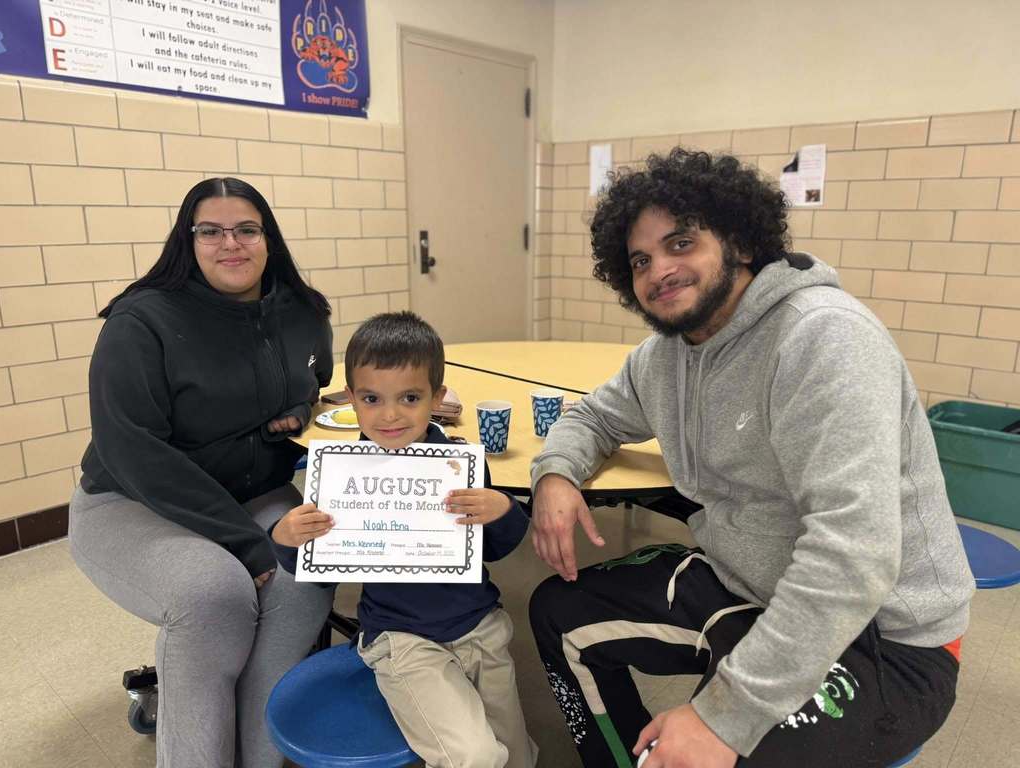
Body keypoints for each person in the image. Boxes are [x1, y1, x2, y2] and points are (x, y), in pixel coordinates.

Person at [527, 148, 975, 768]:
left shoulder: (823, 337)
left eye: (680, 243)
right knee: (558, 610)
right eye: (640, 260)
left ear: (739, 242)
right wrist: (554, 473)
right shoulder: (664, 357)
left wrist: (722, 717)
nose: (659, 270)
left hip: (882, 641)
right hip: (741, 584)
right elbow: (592, 416)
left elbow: (855, 555)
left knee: (709, 756)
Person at [69, 177, 337, 768]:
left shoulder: (304, 311)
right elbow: (131, 447)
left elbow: (308, 389)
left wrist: (306, 407)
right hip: (133, 502)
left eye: (246, 229)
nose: (230, 244)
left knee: (303, 576)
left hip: (254, 491)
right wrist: (248, 544)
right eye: (210, 231)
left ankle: (258, 756)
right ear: (188, 242)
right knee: (212, 595)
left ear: (268, 239)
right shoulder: (142, 321)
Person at [271, 311, 538, 768]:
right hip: (402, 637)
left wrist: (505, 512)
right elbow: (319, 565)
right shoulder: (341, 475)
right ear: (351, 399)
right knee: (474, 757)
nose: (390, 415)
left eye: (410, 397)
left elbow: (490, 549)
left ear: (437, 397)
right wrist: (287, 539)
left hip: (481, 627)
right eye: (372, 398)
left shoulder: (459, 464)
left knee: (514, 752)